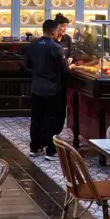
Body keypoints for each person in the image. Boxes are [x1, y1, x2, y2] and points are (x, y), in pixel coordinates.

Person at [25, 19, 70, 160]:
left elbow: (26, 65)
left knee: (36, 118)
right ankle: (51, 151)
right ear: (53, 31)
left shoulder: (33, 45)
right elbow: (64, 71)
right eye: (57, 30)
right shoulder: (56, 48)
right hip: (53, 89)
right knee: (52, 119)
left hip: (36, 87)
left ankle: (34, 148)